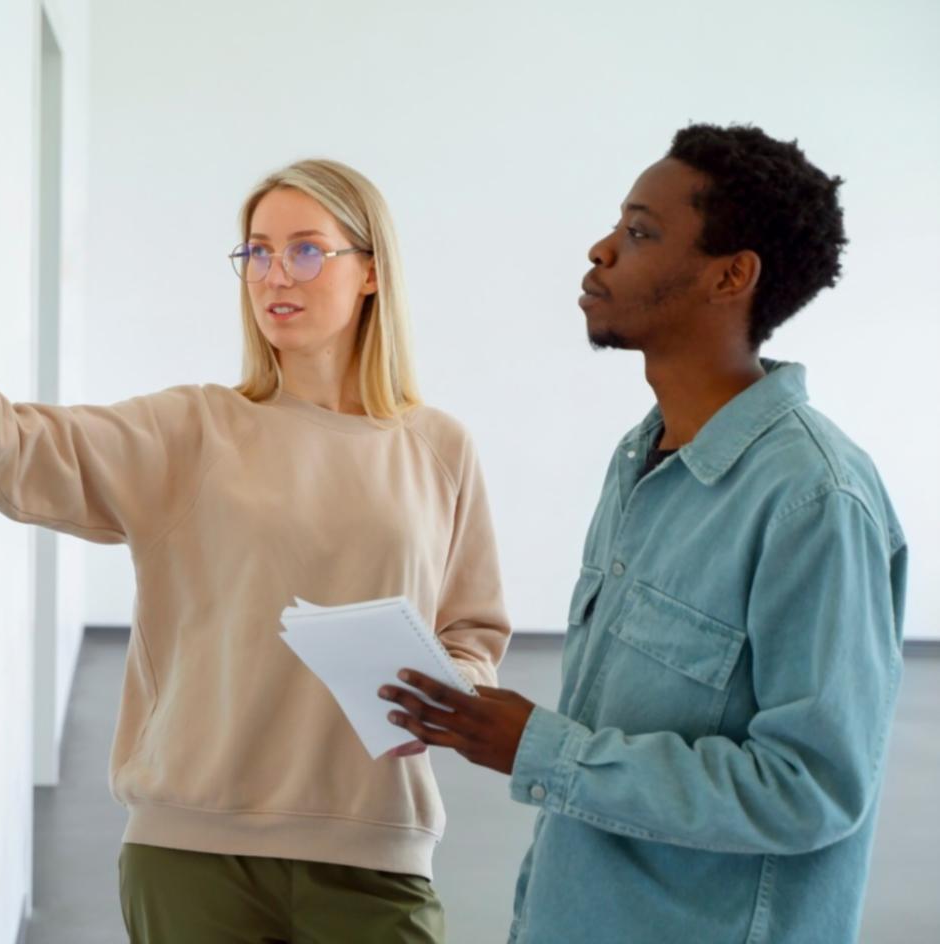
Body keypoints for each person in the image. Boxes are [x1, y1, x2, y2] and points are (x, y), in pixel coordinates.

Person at [0, 159, 511, 943]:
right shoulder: (194, 430)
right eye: (257, 252)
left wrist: (451, 697)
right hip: (192, 853)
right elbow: (6, 453)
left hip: (376, 845)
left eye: (305, 250)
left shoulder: (439, 447)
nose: (274, 274)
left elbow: (471, 633)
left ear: (371, 272)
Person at [379, 124, 907, 944]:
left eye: (639, 232)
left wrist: (543, 750)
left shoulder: (814, 499)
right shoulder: (641, 457)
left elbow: (809, 791)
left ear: (730, 275)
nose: (600, 250)